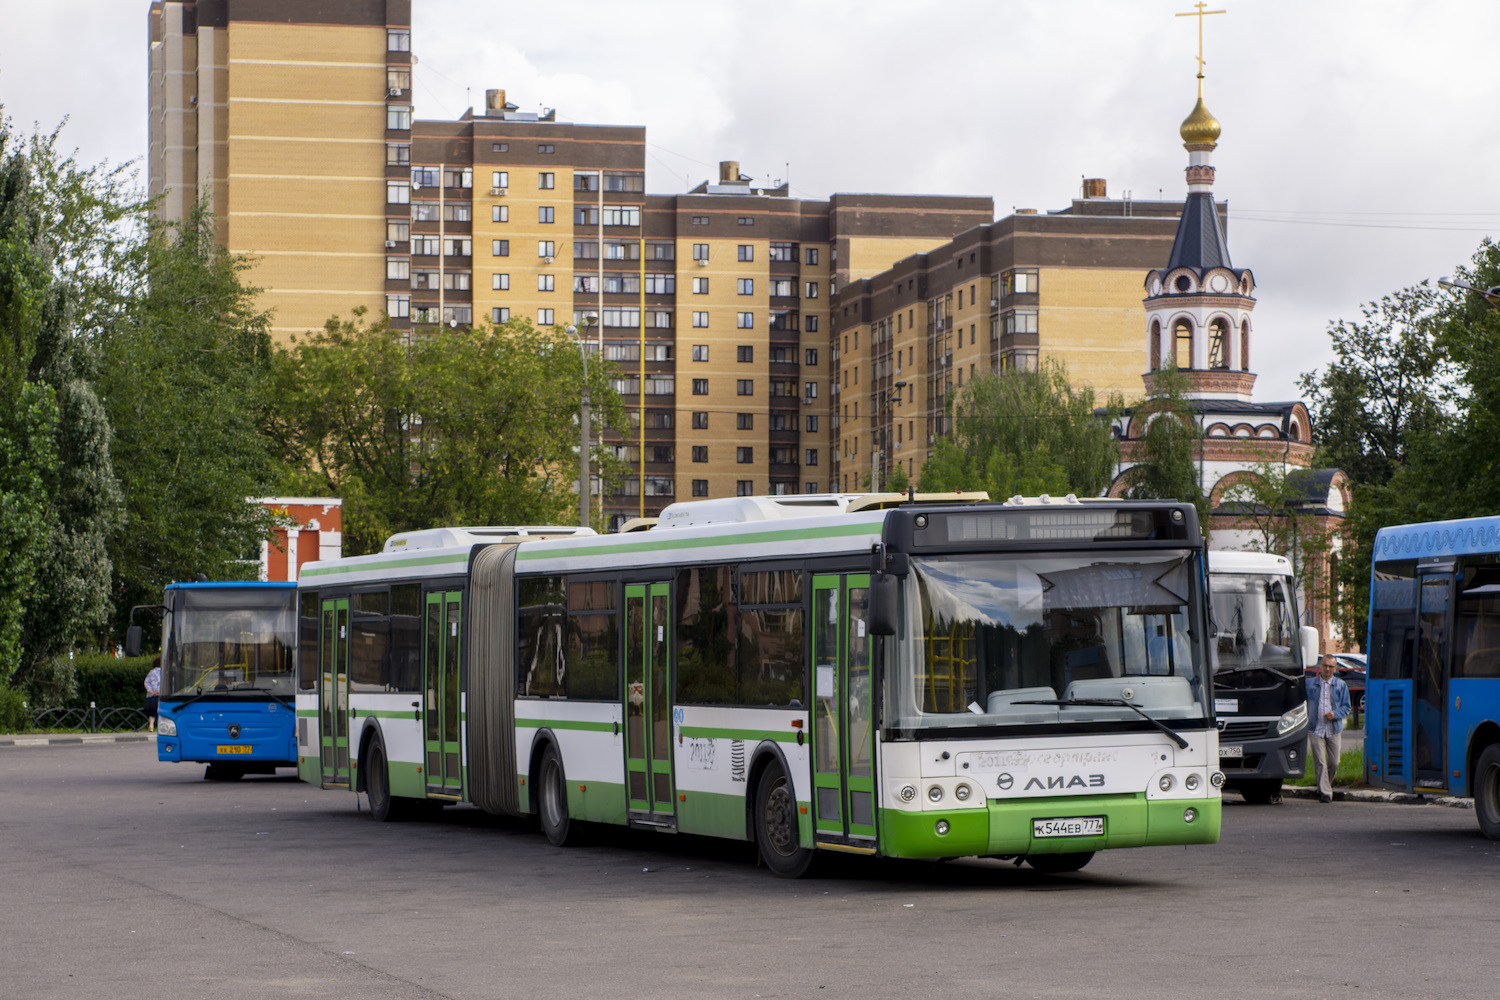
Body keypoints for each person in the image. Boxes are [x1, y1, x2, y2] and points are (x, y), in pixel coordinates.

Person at [1305, 653, 1352, 803]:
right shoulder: (1310, 684)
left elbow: (1347, 707)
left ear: (1335, 668)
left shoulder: (1340, 685)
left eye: (1331, 666)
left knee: (1334, 762)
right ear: (1320, 666)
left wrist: (1335, 714)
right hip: (1315, 727)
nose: (1327, 669)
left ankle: (1322, 786)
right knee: (1320, 761)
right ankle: (1326, 793)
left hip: (1333, 728)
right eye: (1325, 665)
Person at [144, 656, 162, 733]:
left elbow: (146, 682)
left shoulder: (151, 672)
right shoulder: (165, 672)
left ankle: (151, 725)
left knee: (152, 712)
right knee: (161, 711)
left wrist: (150, 690)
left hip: (152, 696)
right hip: (161, 695)